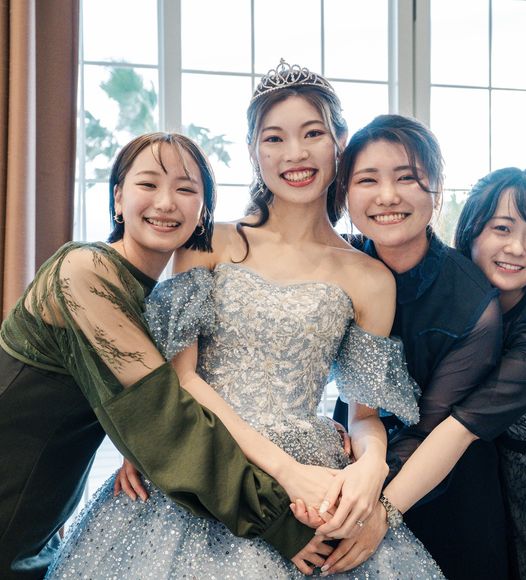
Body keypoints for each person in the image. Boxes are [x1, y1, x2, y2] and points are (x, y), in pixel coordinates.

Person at [46, 61, 444, 578]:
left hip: (317, 475)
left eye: (312, 134)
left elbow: (363, 416)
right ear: (254, 151)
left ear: (339, 142)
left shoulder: (370, 278)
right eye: (274, 138)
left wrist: (371, 466)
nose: (295, 154)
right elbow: (182, 378)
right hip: (208, 457)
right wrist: (287, 473)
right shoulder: (209, 242)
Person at [0, 132, 322, 580]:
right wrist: (277, 518)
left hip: (41, 517)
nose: (166, 203)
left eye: (186, 189)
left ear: (203, 210)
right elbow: (163, 415)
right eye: (148, 184)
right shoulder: (84, 270)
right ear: (118, 197)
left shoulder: (163, 300)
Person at [330, 115, 509, 579]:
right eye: (367, 180)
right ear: (345, 193)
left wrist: (356, 499)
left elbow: (426, 430)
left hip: (446, 493)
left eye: (407, 177)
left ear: (436, 189)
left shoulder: (472, 302)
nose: (387, 196)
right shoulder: (336, 266)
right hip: (348, 468)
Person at [380, 168, 526, 580]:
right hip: (500, 485)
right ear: (472, 229)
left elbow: (459, 426)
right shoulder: (455, 307)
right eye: (501, 228)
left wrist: (376, 514)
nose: (516, 248)